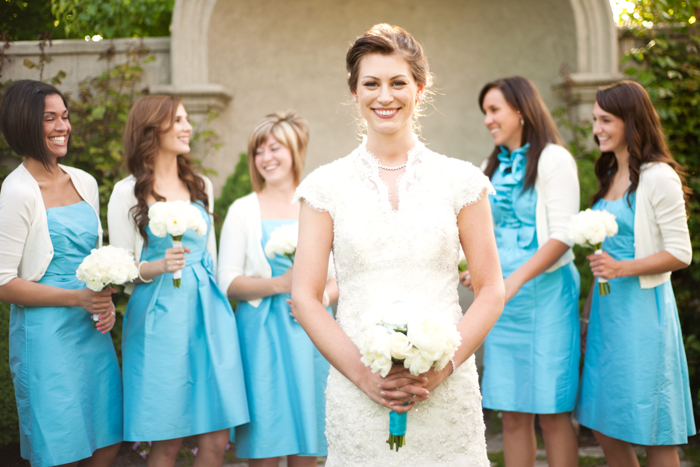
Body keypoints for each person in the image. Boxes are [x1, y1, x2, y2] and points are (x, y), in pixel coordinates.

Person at [290, 24, 504, 465]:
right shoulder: (324, 188)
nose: (384, 96)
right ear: (354, 92)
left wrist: (442, 371)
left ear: (420, 89)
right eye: (371, 83)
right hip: (358, 392)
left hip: (444, 394)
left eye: (397, 82)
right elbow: (305, 296)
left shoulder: (462, 182)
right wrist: (364, 377)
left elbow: (490, 289)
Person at [107, 95, 249, 467]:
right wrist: (156, 267)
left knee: (217, 439)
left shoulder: (200, 184)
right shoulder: (127, 191)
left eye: (187, 120)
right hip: (157, 319)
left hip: (209, 315)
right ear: (153, 129)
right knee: (167, 441)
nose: (189, 128)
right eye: (179, 121)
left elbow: (214, 259)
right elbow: (121, 269)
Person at [0, 80, 122, 467]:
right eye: (49, 118)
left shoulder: (84, 182)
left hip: (91, 328)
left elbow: (92, 260)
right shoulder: (16, 191)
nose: (62, 126)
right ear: (24, 125)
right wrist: (76, 297)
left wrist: (105, 301)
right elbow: (3, 281)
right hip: (45, 339)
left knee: (107, 440)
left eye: (65, 117)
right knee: (60, 449)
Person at [576, 80, 695, 467]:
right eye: (595, 119)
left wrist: (621, 267)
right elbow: (602, 261)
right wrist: (589, 315)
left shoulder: (659, 177)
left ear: (631, 120)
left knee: (653, 426)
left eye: (606, 120)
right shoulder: (610, 174)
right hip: (607, 317)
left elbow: (681, 253)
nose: (598, 129)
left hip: (644, 313)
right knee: (604, 423)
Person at [464, 76, 580, 467]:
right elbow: (486, 237)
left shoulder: (554, 159)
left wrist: (512, 280)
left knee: (551, 410)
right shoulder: (489, 166)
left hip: (547, 296)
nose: (487, 119)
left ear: (521, 110)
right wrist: (479, 274)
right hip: (502, 300)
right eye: (485, 112)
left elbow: (564, 235)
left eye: (494, 110)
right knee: (511, 411)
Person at [218, 111, 338, 467]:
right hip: (261, 336)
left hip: (312, 333)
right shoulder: (243, 210)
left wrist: (320, 298)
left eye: (275, 148)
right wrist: (281, 285)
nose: (266, 158)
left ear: (296, 150)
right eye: (259, 150)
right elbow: (227, 280)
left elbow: (342, 273)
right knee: (267, 442)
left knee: (309, 442)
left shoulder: (319, 207)